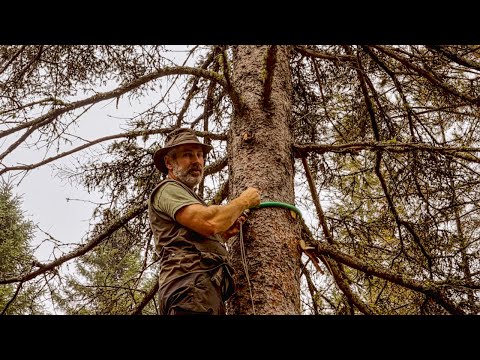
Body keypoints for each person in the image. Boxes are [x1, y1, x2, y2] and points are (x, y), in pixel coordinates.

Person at [148, 127, 261, 315]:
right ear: (169, 162)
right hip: (190, 288)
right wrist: (244, 201)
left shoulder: (184, 195)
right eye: (187, 155)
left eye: (200, 155)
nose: (197, 161)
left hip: (198, 290)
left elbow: (194, 235)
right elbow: (209, 222)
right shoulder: (168, 189)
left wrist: (221, 236)